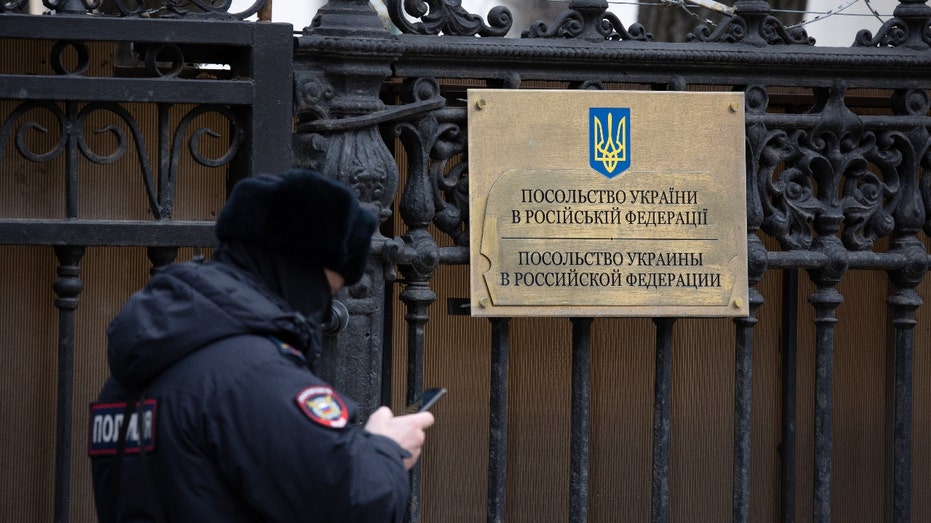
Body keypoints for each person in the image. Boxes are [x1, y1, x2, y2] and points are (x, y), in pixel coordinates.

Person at [89, 168, 434, 522]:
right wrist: (387, 451)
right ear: (297, 268)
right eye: (326, 292)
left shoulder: (143, 364)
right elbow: (355, 502)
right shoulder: (251, 374)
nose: (322, 313)